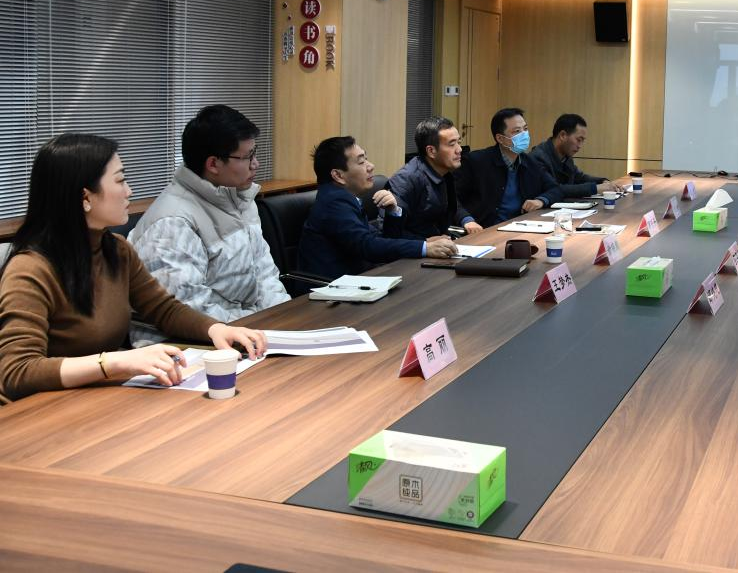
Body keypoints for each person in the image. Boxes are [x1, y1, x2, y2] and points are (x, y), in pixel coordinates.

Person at [0, 134, 266, 404]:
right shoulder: (30, 269)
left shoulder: (115, 249)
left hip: (94, 398)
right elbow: (17, 371)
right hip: (38, 411)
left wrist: (215, 329)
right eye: (120, 180)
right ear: (85, 197)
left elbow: (163, 309)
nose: (129, 191)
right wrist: (114, 362)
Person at [127, 105, 289, 347]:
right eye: (247, 157)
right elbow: (189, 310)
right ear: (213, 164)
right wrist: (256, 329)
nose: (255, 164)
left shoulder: (239, 199)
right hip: (186, 346)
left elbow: (265, 275)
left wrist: (283, 321)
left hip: (246, 333)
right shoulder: (172, 223)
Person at [298, 136, 442, 278]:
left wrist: (393, 212)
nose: (371, 166)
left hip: (360, 279)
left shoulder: (342, 198)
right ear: (338, 175)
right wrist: (424, 248)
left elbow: (381, 241)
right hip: (330, 287)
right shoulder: (333, 202)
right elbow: (367, 246)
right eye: (361, 162)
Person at [457, 108, 563, 228]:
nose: (524, 134)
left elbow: (556, 189)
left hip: (521, 226)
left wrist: (541, 200)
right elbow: (452, 198)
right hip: (484, 228)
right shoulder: (476, 161)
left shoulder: (531, 162)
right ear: (500, 138)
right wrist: (466, 219)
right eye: (517, 131)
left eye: (525, 129)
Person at [389, 117, 481, 245]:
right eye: (452, 144)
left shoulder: (444, 171)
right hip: (413, 251)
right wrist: (425, 242)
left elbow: (448, 204)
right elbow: (389, 232)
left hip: (441, 244)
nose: (459, 149)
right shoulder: (406, 180)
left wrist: (466, 219)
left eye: (459, 142)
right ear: (431, 151)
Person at [529, 114, 613, 199]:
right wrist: (595, 188)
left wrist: (602, 181)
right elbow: (555, 189)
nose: (580, 146)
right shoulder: (538, 157)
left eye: (582, 141)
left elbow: (580, 177)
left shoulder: (566, 156)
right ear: (563, 135)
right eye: (578, 140)